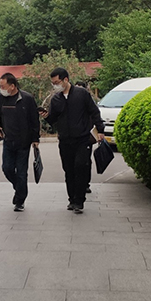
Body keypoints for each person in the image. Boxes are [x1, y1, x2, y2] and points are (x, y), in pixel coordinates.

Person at [41, 67, 105, 214]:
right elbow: (53, 120)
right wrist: (46, 116)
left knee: (80, 166)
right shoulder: (56, 99)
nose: (55, 86)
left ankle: (79, 200)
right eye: (53, 83)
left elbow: (94, 111)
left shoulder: (81, 94)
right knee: (68, 170)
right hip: (65, 140)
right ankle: (72, 199)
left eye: (57, 82)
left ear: (66, 80)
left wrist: (100, 129)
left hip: (82, 138)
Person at [0, 73, 40, 212]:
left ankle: (20, 200)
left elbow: (34, 120)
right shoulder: (0, 98)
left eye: (3, 86)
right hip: (8, 140)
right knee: (7, 168)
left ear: (12, 86)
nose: (1, 89)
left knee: (22, 172)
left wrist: (35, 138)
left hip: (23, 142)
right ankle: (19, 189)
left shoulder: (26, 99)